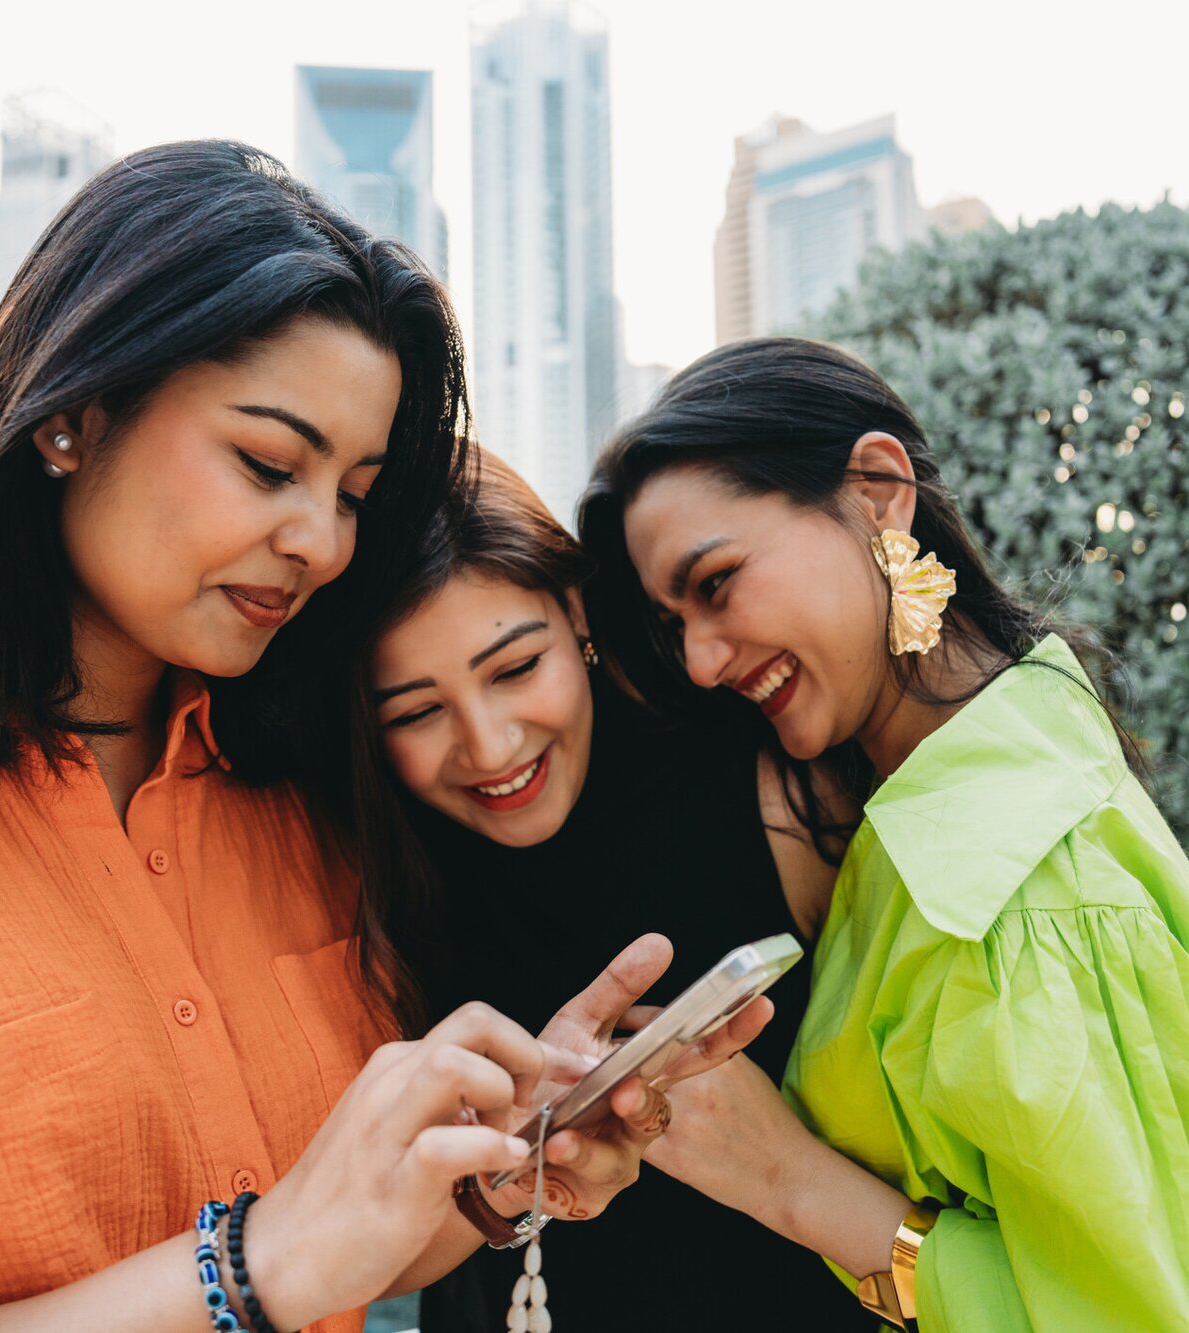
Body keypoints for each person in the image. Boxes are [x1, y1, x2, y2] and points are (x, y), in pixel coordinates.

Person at [0, 142, 763, 1333]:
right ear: (72, 416)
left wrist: (496, 1172)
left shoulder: (291, 777)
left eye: (353, 498)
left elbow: (339, 1236)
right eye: (270, 465)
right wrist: (243, 1271)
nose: (322, 542)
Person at [575, 337, 1189, 1331]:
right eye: (671, 620)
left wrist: (783, 1176)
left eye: (717, 583)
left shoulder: (1031, 885)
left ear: (877, 493)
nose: (697, 659)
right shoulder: (925, 796)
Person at [342, 453, 874, 1333]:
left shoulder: (768, 785)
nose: (489, 744)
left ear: (576, 610)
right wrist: (505, 1169)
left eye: (515, 668)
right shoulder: (369, 871)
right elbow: (358, 1257)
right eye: (414, 711)